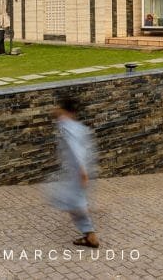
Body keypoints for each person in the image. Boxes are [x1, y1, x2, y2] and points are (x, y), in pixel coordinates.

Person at [49, 95, 99, 248]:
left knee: (72, 202)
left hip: (77, 173)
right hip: (78, 172)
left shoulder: (68, 127)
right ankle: (89, 234)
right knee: (74, 202)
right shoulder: (77, 127)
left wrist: (83, 171)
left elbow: (77, 150)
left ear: (65, 110)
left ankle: (90, 235)